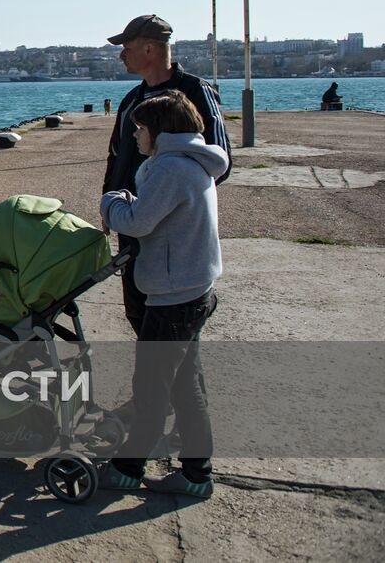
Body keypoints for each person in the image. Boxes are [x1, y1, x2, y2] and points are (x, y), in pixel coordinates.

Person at [99, 90, 227, 497]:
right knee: (185, 385)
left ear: (160, 131)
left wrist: (110, 203)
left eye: (140, 128)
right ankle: (196, 472)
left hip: (173, 296)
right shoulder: (194, 163)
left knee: (152, 388)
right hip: (194, 289)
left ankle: (128, 466)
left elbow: (138, 222)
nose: (136, 136)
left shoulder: (170, 168)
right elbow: (163, 213)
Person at [102, 14, 231, 334]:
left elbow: (217, 156)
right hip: (133, 225)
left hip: (173, 232)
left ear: (149, 49)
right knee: (138, 313)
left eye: (126, 48)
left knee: (168, 323)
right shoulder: (131, 100)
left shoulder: (194, 92)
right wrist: (109, 199)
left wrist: (175, 206)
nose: (121, 55)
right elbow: (116, 155)